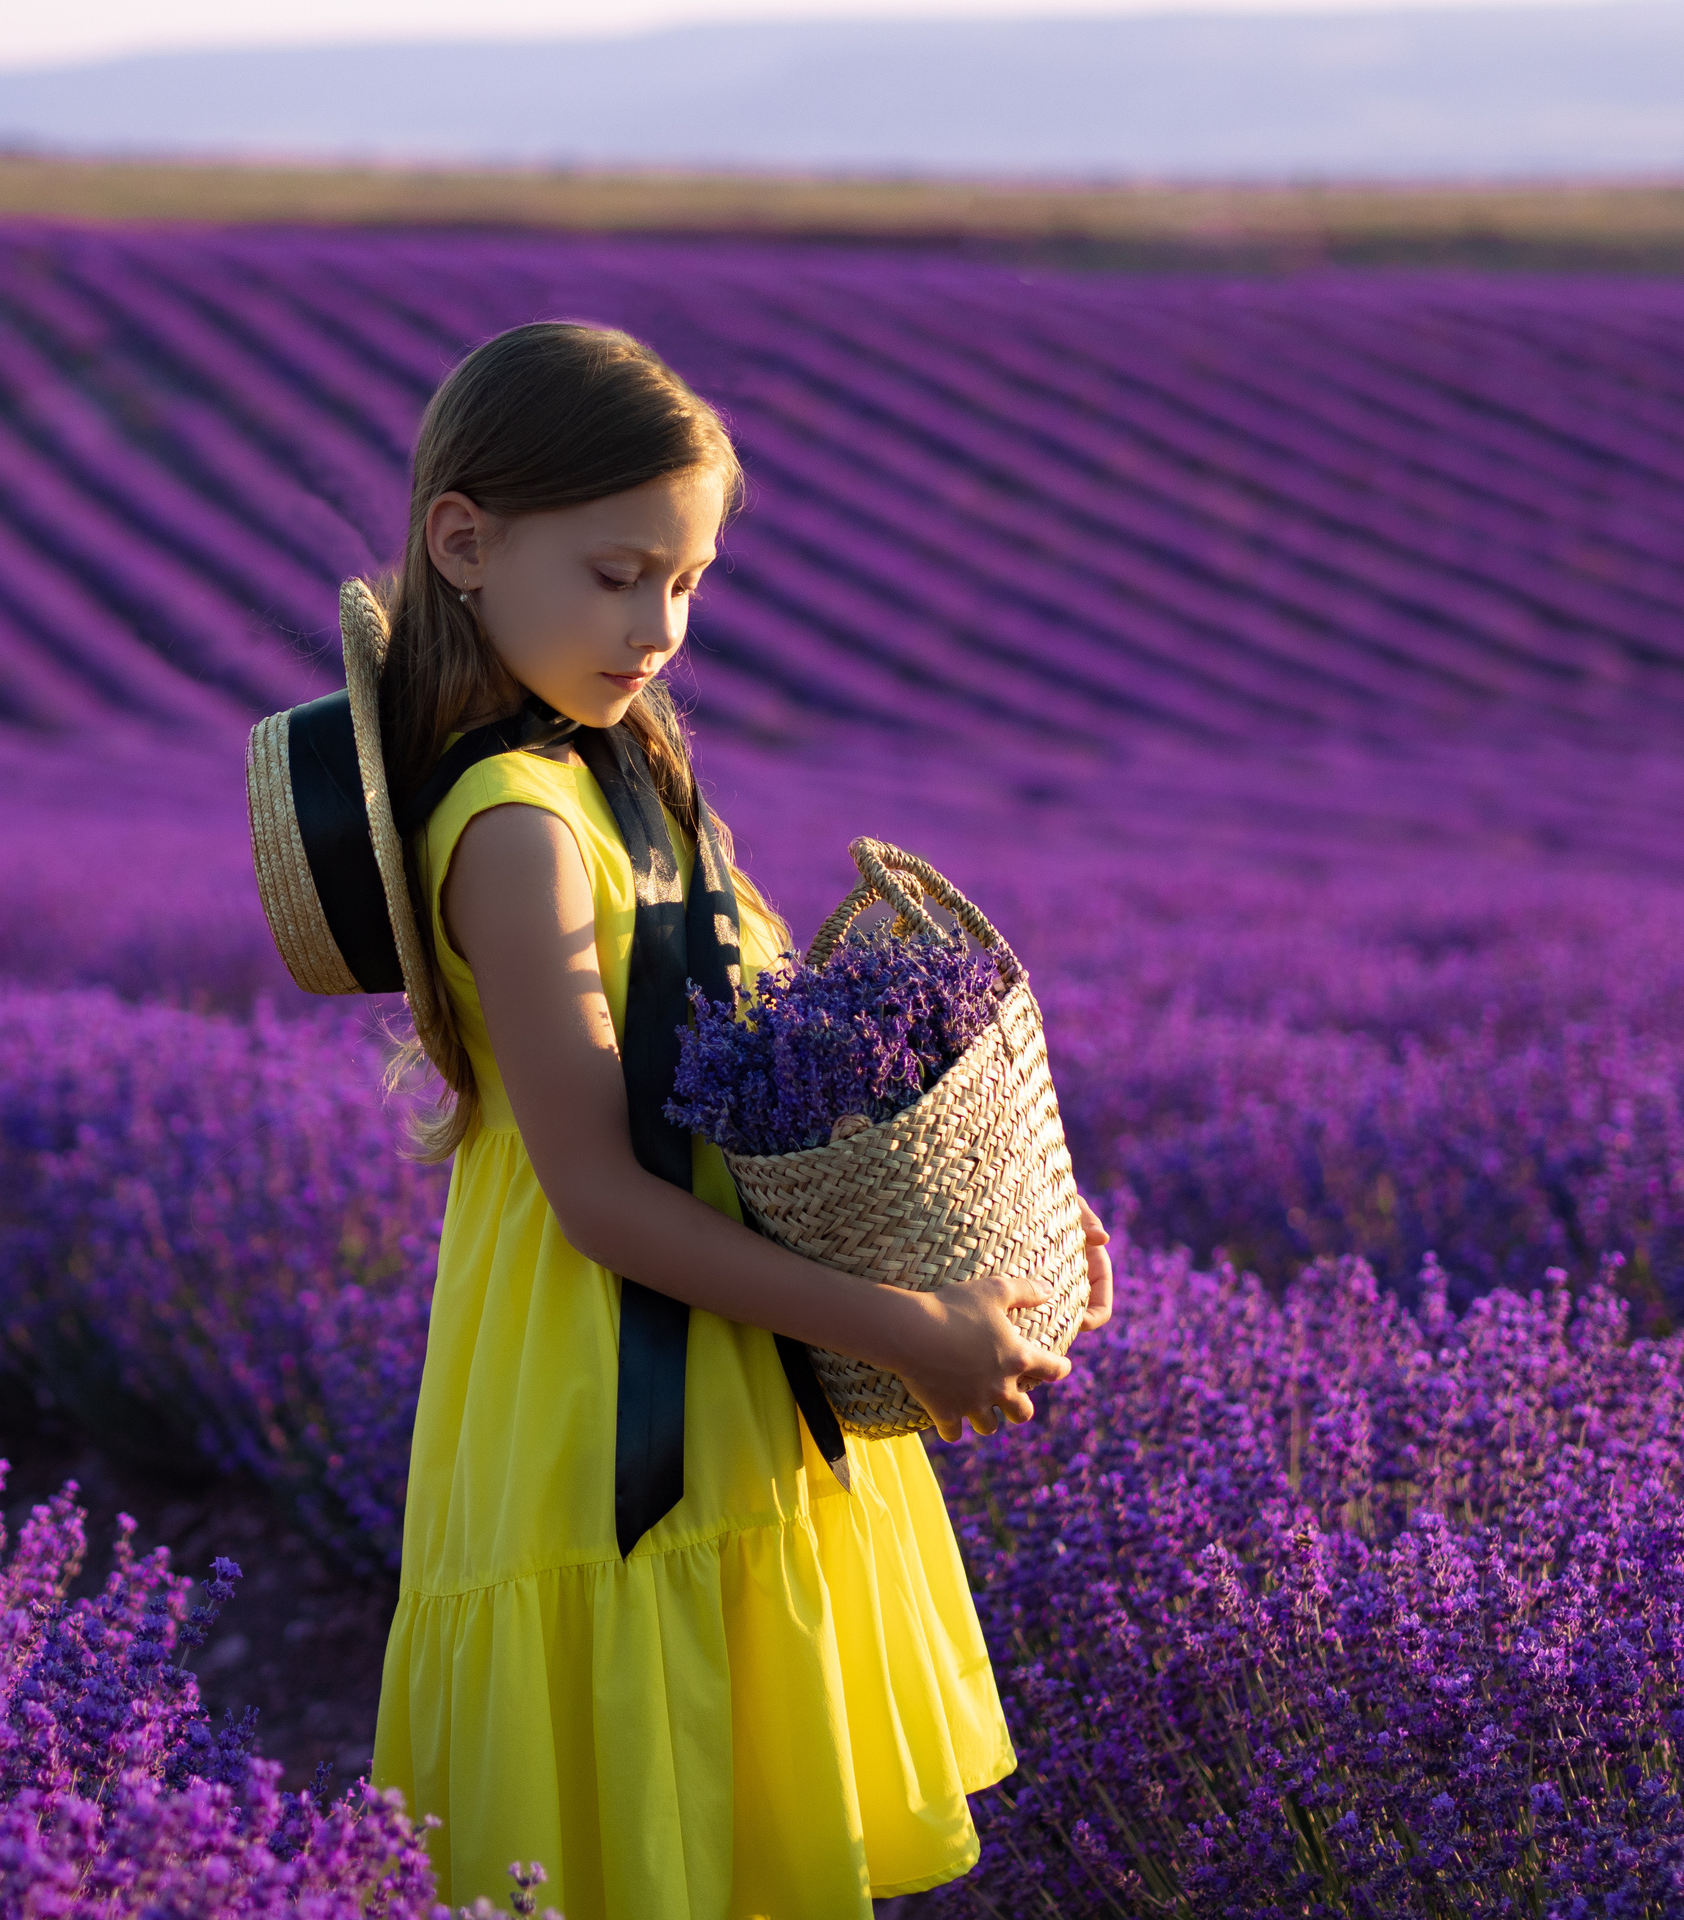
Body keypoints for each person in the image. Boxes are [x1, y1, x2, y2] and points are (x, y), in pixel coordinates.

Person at [364, 321, 1115, 1919]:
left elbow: (780, 1071)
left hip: (731, 1373)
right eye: (621, 573)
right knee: (654, 1846)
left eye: (690, 582)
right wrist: (901, 1323)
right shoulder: (515, 827)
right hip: (610, 1403)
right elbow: (601, 1200)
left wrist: (1009, 1224)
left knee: (741, 1847)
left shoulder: (619, 775)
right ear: (465, 544)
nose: (662, 624)